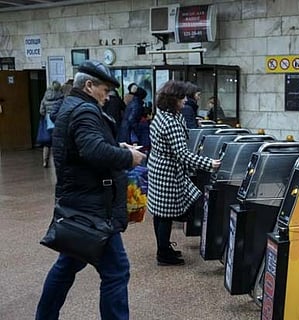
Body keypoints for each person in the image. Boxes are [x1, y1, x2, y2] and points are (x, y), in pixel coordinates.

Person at [35, 60, 146, 320]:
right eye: (105, 91)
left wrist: (116, 145)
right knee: (116, 271)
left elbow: (84, 147)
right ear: (89, 85)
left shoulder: (71, 107)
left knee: (68, 264)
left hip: (79, 201)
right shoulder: (85, 111)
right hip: (92, 207)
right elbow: (93, 151)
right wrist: (128, 157)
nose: (107, 97)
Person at [147, 80, 221, 266]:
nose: (185, 101)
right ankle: (163, 253)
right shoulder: (170, 122)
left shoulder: (162, 116)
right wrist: (209, 163)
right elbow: (182, 154)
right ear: (173, 100)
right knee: (165, 215)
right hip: (168, 173)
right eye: (182, 98)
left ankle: (163, 248)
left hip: (158, 168)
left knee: (160, 213)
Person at [39, 80, 64, 168]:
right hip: (58, 122)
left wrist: (47, 114)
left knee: (47, 143)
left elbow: (41, 111)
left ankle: (45, 162)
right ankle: (57, 162)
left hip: (48, 122)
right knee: (58, 143)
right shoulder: (61, 97)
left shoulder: (45, 97)